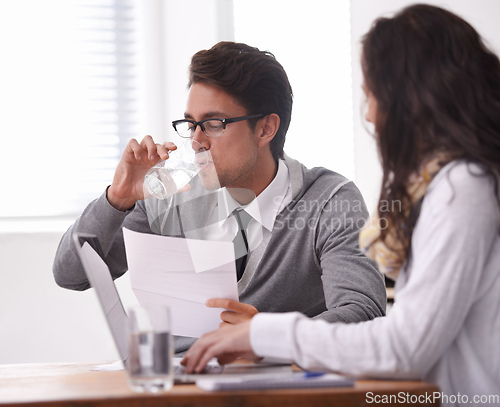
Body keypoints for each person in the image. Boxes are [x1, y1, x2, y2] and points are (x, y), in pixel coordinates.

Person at [180, 5, 500, 404]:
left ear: (411, 99)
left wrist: (263, 334)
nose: (369, 114)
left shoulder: (463, 187)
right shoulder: (454, 184)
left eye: (372, 96)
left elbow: (403, 345)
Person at [53, 41, 386, 355]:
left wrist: (266, 337)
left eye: (213, 124)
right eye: (190, 124)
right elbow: (71, 275)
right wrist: (118, 199)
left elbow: (363, 314)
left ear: (266, 129)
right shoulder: (170, 194)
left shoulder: (328, 200)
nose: (196, 141)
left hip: (278, 389)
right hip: (178, 388)